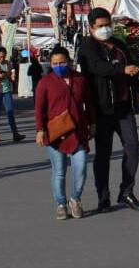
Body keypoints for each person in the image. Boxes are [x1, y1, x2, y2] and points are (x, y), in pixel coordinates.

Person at [77, 7, 139, 212]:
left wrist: (135, 74)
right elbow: (97, 67)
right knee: (103, 154)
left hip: (124, 106)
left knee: (132, 147)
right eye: (100, 26)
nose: (105, 29)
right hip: (102, 109)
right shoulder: (87, 48)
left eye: (108, 25)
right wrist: (120, 69)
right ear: (91, 28)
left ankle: (127, 192)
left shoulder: (118, 44)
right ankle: (103, 197)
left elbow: (131, 63)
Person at [36, 46, 95, 220]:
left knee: (81, 168)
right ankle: (61, 204)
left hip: (78, 131)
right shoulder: (45, 82)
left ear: (69, 62)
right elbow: (39, 109)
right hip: (55, 133)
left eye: (62, 62)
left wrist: (92, 123)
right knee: (59, 171)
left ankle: (75, 199)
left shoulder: (80, 79)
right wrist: (40, 130)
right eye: (55, 63)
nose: (59, 66)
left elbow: (89, 103)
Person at [0, 47, 25, 142]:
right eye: (0, 57)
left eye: (3, 57)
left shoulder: (8, 63)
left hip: (7, 90)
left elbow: (11, 74)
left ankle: (15, 133)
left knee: (10, 112)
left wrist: (12, 76)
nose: (2, 59)